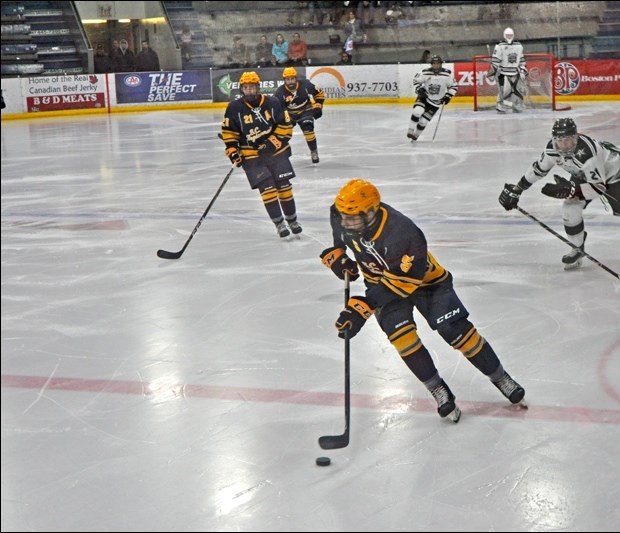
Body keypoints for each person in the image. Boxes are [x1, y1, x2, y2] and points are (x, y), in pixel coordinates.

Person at [321, 179, 527, 422]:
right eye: (344, 216)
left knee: (455, 331)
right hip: (380, 283)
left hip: (426, 282)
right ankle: (438, 389)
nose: (346, 222)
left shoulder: (403, 232)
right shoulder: (342, 213)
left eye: (352, 217)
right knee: (403, 340)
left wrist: (363, 306)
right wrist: (338, 254)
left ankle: (500, 377)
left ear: (371, 212)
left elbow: (401, 283)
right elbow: (339, 229)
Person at [498, 117, 620, 270]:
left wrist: (571, 189)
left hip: (613, 179)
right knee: (570, 206)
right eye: (560, 140)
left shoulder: (588, 154)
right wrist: (517, 189)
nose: (564, 145)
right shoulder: (552, 149)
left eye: (568, 140)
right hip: (584, 176)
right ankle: (577, 249)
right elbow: (538, 169)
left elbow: (599, 188)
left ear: (575, 137)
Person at [220, 71, 302, 239]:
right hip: (252, 157)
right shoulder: (234, 108)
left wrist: (271, 143)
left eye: (252, 87)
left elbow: (286, 126)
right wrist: (233, 151)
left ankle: (292, 220)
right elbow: (229, 133)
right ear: (242, 89)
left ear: (258, 87)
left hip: (276, 153)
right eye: (246, 88)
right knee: (268, 189)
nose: (249, 91)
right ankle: (279, 224)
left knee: (284, 187)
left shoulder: (273, 102)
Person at [273, 66, 325, 164]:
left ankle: (314, 151)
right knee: (281, 133)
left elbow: (319, 94)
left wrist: (318, 106)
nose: (290, 81)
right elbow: (279, 109)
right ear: (284, 80)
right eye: (288, 79)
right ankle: (280, 154)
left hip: (306, 110)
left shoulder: (306, 84)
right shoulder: (279, 92)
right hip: (289, 113)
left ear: (296, 78)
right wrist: (287, 119)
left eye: (292, 78)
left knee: (308, 128)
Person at [406, 54, 457, 142]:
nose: (435, 65)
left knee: (423, 122)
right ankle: (410, 129)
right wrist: (419, 89)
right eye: (434, 63)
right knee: (417, 111)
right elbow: (415, 81)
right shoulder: (425, 72)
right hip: (424, 97)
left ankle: (415, 136)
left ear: (441, 64)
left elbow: (454, 86)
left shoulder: (447, 74)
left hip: (436, 102)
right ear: (431, 64)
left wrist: (448, 96)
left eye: (437, 63)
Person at [489, 27, 527, 113]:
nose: (509, 36)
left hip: (515, 72)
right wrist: (493, 72)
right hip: (503, 73)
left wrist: (523, 69)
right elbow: (495, 60)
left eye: (510, 35)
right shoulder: (499, 46)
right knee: (504, 90)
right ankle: (500, 104)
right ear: (504, 35)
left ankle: (517, 105)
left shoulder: (518, 46)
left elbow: (521, 59)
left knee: (518, 90)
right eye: (507, 35)